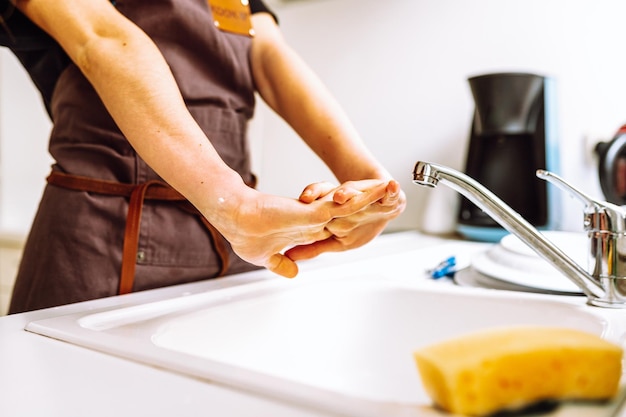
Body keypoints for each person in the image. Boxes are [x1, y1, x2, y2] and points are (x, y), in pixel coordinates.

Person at [0, 0, 406, 314]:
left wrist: (367, 183)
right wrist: (232, 201)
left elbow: (267, 54)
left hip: (236, 244)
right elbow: (99, 37)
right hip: (101, 240)